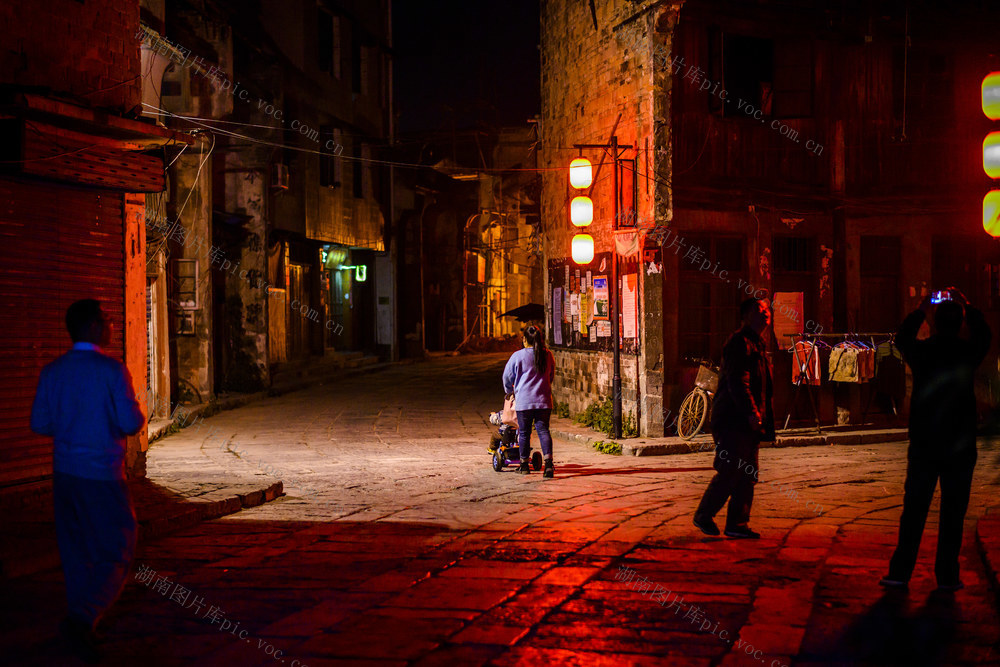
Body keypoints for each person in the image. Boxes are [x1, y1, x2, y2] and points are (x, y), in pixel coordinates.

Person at [30, 299, 146, 660]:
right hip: (102, 476)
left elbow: (39, 423)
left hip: (65, 475)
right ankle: (83, 617)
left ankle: (80, 622)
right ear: (94, 326)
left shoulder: (53, 371)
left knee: (75, 552)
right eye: (108, 320)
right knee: (117, 548)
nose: (112, 325)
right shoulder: (111, 370)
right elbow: (130, 423)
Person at [881, 288, 991, 591]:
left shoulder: (923, 352)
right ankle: (947, 575)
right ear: (960, 324)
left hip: (925, 441)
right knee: (953, 512)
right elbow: (984, 335)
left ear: (936, 322)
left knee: (914, 509)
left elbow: (902, 337)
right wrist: (967, 303)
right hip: (960, 443)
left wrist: (920, 309)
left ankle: (900, 572)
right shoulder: (968, 353)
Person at [694, 298, 774, 539]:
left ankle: (737, 524)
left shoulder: (756, 343)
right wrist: (751, 412)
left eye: (767, 311)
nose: (766, 315)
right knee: (730, 470)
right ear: (747, 315)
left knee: (748, 472)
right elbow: (738, 382)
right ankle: (704, 515)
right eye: (760, 311)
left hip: (747, 420)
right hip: (733, 419)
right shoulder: (739, 343)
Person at [502, 325, 556, 477]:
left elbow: (507, 377)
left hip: (524, 402)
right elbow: (551, 375)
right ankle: (549, 465)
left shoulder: (517, 356)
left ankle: (524, 465)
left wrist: (509, 391)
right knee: (544, 430)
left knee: (524, 433)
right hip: (544, 401)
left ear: (525, 339)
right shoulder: (547, 354)